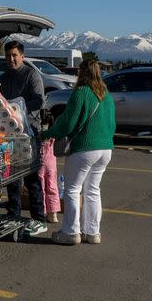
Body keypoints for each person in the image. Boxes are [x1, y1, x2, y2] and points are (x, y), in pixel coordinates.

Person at [40, 59, 116, 245]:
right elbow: (112, 124)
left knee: (73, 190)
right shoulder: (106, 95)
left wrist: (48, 133)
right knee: (93, 190)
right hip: (106, 149)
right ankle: (92, 232)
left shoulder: (81, 93)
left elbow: (68, 123)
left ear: (82, 73)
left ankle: (71, 232)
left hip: (84, 148)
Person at [0, 40, 48, 236]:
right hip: (10, 134)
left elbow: (39, 100)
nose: (11, 59)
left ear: (22, 56)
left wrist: (18, 108)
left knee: (32, 176)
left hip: (29, 133)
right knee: (12, 176)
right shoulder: (4, 77)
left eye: (14, 55)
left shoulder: (31, 74)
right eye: (8, 56)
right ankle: (13, 215)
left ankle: (39, 218)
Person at [38, 113, 60, 223]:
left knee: (41, 188)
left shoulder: (41, 134)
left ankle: (43, 211)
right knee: (52, 187)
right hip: (52, 164)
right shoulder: (54, 134)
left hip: (41, 163)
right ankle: (53, 213)